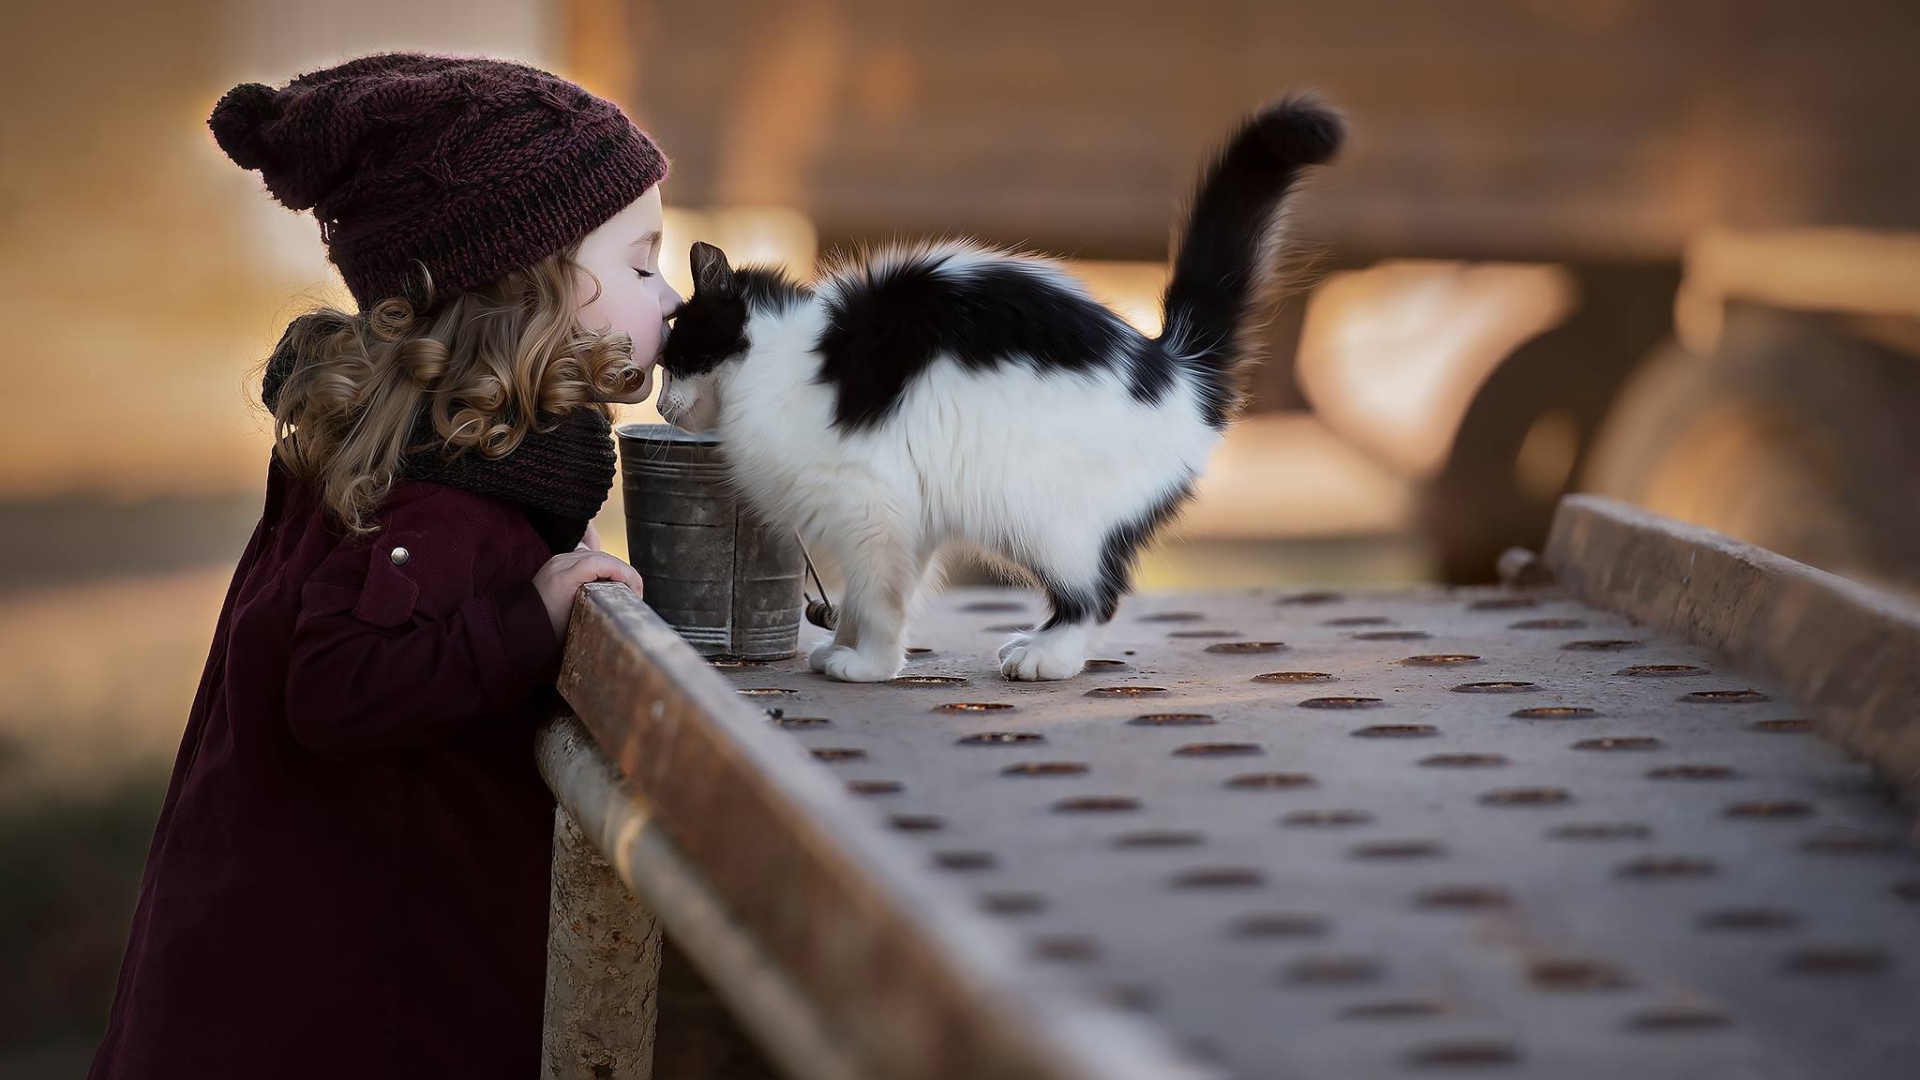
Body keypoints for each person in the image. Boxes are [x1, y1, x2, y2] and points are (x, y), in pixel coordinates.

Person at [89, 53, 680, 1079]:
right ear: (526, 284)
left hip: (300, 964)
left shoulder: (438, 454)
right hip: (342, 1002)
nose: (668, 296)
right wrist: (528, 622)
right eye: (640, 262)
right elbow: (336, 684)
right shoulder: (441, 488)